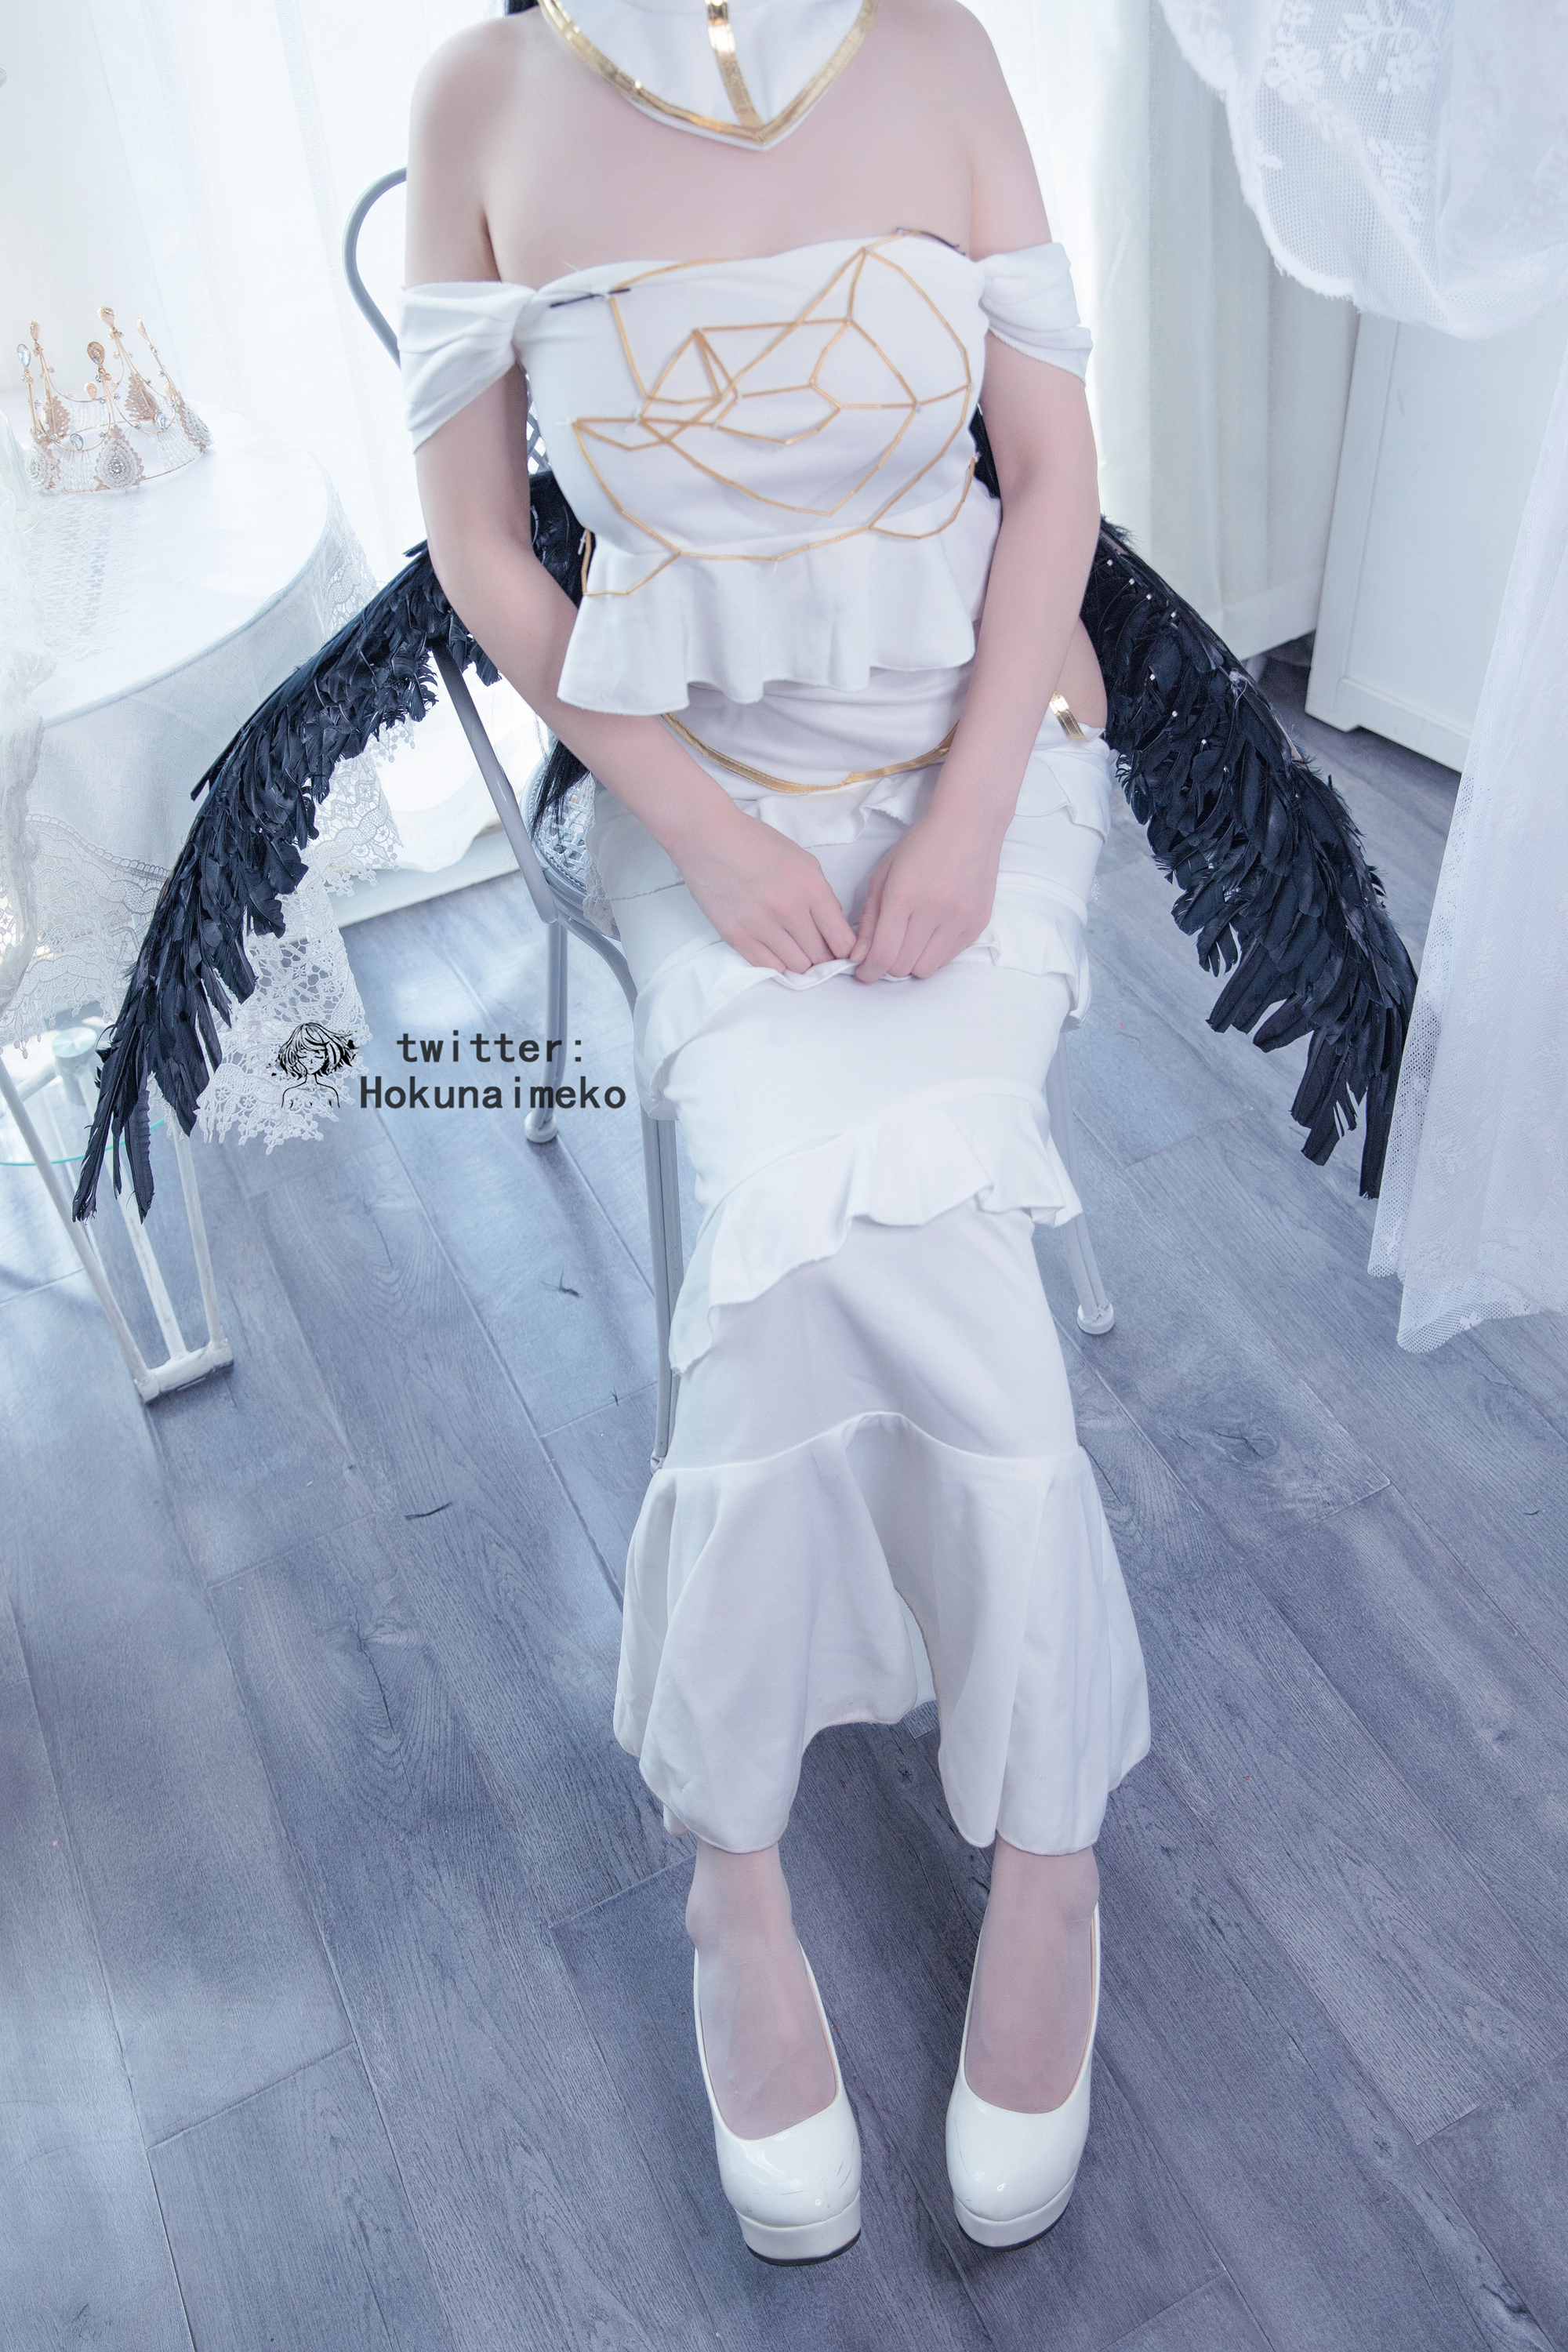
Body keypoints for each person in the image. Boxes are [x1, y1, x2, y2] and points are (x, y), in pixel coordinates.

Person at [401, 0, 1150, 2260]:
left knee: (883, 1227)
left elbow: (1055, 474)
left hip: (976, 747)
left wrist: (970, 818)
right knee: (807, 1241)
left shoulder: (933, 48)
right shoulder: (482, 102)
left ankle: (1026, 1862)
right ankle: (763, 1878)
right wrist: (711, 839)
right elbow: (485, 553)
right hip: (697, 784)